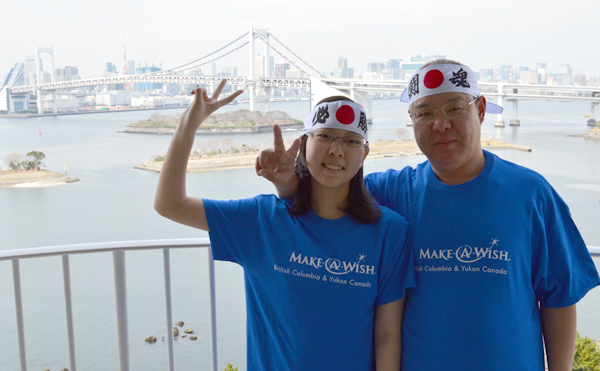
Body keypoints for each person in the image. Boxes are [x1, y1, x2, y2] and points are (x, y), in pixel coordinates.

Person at [256, 61, 600, 371]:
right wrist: (288, 184)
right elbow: (326, 201)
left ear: (480, 110)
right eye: (424, 113)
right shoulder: (392, 193)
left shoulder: (531, 193)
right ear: (412, 121)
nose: (440, 124)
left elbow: (559, 296)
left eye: (454, 108)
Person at [154, 80, 416, 370]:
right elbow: (170, 204)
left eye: (352, 140)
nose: (337, 150)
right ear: (304, 145)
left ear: (364, 154)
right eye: (325, 136)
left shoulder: (390, 231)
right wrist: (187, 126)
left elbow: (387, 334)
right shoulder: (261, 220)